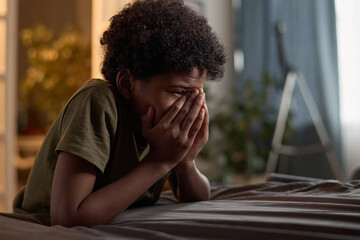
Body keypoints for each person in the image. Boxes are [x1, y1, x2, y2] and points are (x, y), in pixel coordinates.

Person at [13, 0, 226, 227]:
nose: (190, 105)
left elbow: (197, 197)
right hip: (36, 224)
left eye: (197, 93)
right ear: (127, 83)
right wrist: (160, 161)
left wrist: (184, 160)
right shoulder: (97, 102)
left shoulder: (160, 128)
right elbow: (67, 218)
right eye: (178, 92)